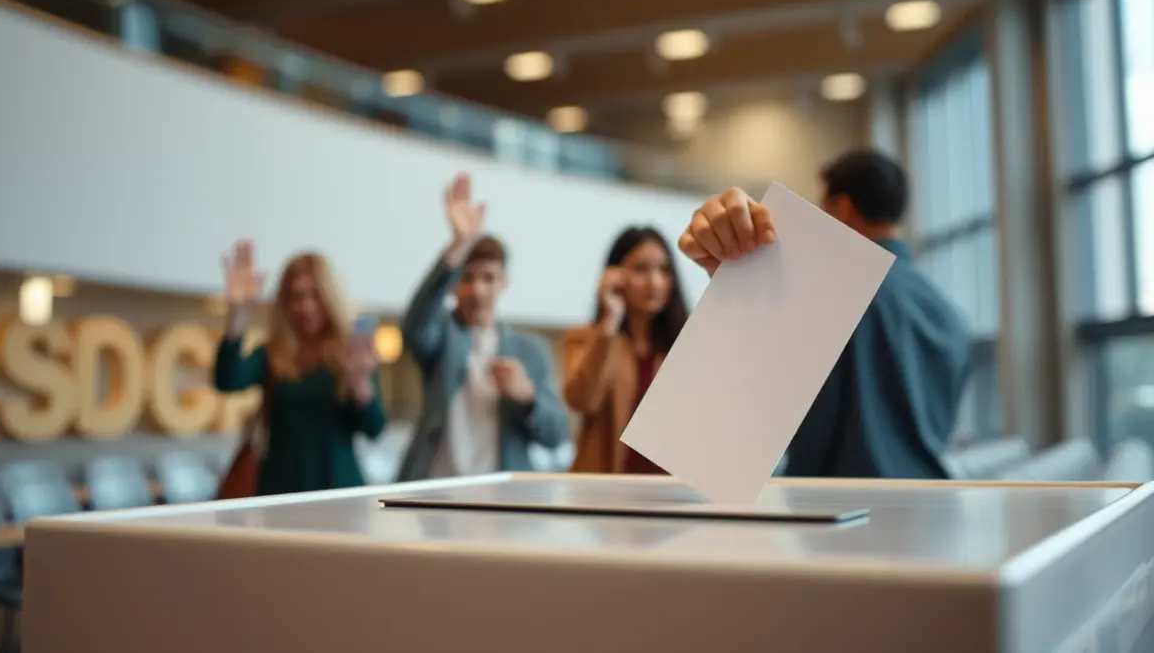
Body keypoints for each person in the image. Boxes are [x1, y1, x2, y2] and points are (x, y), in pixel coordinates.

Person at [677, 149, 972, 478]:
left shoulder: (836, 297)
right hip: (931, 506)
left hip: (842, 510)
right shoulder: (951, 315)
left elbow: (803, 429)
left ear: (842, 208)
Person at [396, 173, 570, 481]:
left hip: (503, 500)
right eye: (467, 277)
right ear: (453, 285)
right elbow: (415, 325)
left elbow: (557, 435)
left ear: (503, 283)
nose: (477, 289)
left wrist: (527, 395)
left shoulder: (530, 350)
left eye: (488, 278)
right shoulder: (441, 338)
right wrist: (457, 248)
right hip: (436, 489)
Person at [213, 242, 388, 495]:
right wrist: (237, 313)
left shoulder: (351, 352)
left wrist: (359, 384)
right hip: (281, 488)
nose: (306, 307)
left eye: (314, 295)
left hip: (338, 488)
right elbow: (227, 380)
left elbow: (374, 428)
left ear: (329, 297)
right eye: (296, 297)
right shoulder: (273, 354)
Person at [564, 227, 690, 474]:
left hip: (671, 493)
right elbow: (583, 400)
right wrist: (609, 321)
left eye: (664, 270)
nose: (654, 282)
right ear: (615, 275)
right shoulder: (585, 339)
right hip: (606, 494)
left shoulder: (684, 345)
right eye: (641, 269)